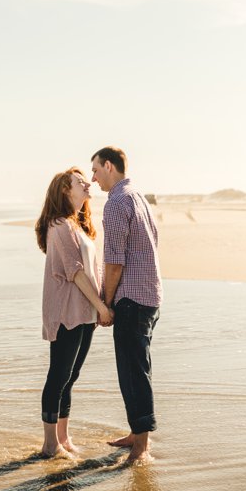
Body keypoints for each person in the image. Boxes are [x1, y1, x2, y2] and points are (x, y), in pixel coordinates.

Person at [34, 167, 113, 459]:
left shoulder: (76, 224)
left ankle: (63, 438)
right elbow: (76, 273)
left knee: (71, 376)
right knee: (58, 375)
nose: (87, 184)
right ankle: (49, 444)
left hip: (85, 312)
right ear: (65, 190)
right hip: (67, 311)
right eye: (79, 182)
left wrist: (97, 307)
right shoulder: (59, 225)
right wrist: (103, 306)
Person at [91, 146, 162, 464]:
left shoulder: (117, 201)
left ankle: (142, 446)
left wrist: (106, 302)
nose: (92, 178)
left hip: (132, 299)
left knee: (133, 372)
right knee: (138, 368)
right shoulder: (137, 195)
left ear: (109, 165)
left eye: (95, 169)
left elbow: (114, 260)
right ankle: (137, 432)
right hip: (149, 295)